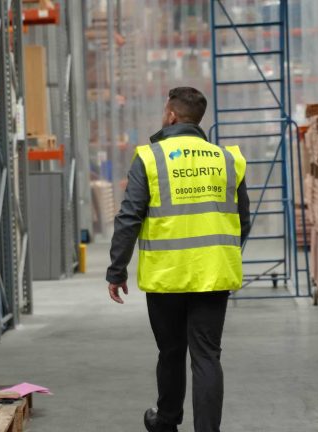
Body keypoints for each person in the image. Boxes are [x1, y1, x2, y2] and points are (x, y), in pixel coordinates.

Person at [106, 87, 251, 432]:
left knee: (171, 351)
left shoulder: (150, 157)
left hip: (167, 276)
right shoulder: (227, 158)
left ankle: (167, 422)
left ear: (171, 115)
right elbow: (243, 219)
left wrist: (117, 269)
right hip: (213, 275)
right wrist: (220, 253)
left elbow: (130, 217)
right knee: (206, 356)